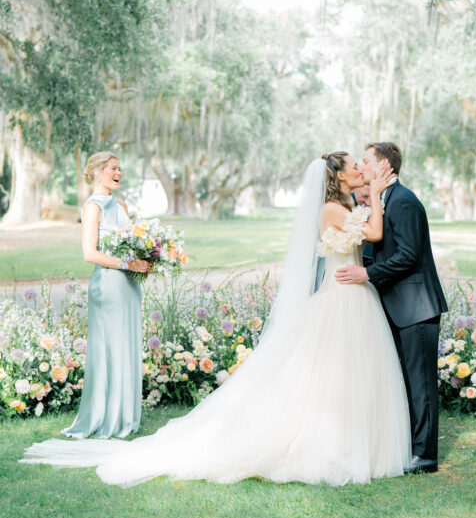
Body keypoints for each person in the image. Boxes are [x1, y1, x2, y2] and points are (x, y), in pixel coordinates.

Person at [23, 153, 411, 487]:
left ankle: (355, 441)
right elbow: (373, 232)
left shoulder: (342, 206)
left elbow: (364, 230)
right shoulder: (332, 209)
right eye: (354, 166)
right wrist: (375, 195)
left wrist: (367, 198)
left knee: (346, 371)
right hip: (341, 293)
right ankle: (331, 443)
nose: (362, 169)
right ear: (339, 176)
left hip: (352, 292)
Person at [336, 142, 448, 473]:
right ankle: (407, 447)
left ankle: (424, 456)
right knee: (404, 383)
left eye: (366, 161)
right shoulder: (381, 201)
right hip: (395, 305)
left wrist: (366, 273)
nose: (362, 167)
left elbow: (409, 256)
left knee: (421, 384)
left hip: (416, 306)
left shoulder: (405, 202)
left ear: (385, 165)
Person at [63, 153, 151, 439]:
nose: (119, 173)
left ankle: (125, 416)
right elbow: (90, 254)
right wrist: (129, 264)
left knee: (126, 346)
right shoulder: (91, 207)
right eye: (114, 168)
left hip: (129, 286)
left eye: (120, 168)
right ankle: (105, 416)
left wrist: (147, 260)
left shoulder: (122, 205)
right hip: (108, 286)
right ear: (99, 171)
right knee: (109, 349)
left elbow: (134, 244)